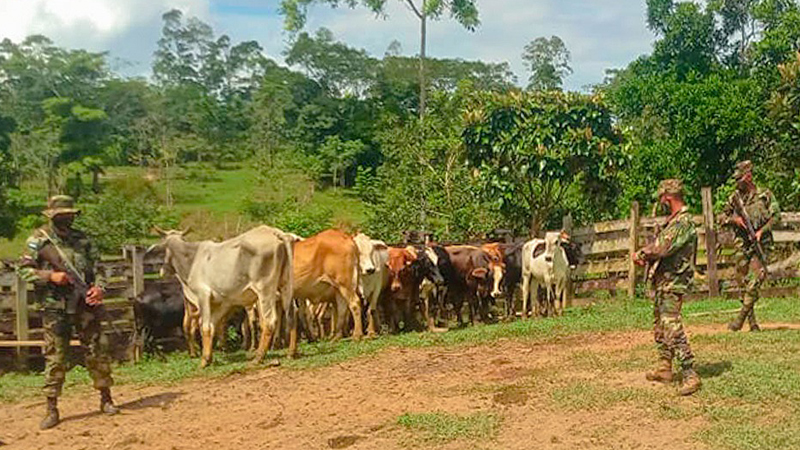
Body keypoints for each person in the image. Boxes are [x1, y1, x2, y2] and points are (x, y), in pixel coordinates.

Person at [17, 195, 119, 430]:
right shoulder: (38, 241)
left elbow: (100, 268)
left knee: (97, 351)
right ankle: (51, 408)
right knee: (56, 357)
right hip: (55, 307)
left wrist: (99, 289)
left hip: (85, 306)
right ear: (52, 216)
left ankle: (106, 398)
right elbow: (23, 270)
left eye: (70, 214)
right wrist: (50, 276)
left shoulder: (83, 240)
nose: (67, 218)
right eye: (62, 215)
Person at [633, 179, 701, 396]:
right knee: (660, 324)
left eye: (662, 197)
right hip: (664, 281)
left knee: (671, 324)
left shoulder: (684, 222)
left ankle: (690, 373)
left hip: (674, 281)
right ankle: (665, 367)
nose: (660, 201)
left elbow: (663, 248)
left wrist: (642, 253)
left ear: (667, 197)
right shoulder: (673, 222)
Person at [721, 160, 780, 332]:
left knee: (756, 280)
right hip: (742, 244)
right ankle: (752, 322)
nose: (736, 182)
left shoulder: (765, 195)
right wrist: (735, 220)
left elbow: (776, 217)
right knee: (743, 282)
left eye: (739, 179)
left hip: (762, 244)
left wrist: (762, 231)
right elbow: (721, 218)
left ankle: (739, 320)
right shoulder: (734, 198)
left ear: (748, 176)